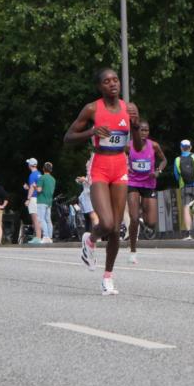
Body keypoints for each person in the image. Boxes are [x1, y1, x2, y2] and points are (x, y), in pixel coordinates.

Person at [64, 67, 139, 295]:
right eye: (107, 81)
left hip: (120, 167)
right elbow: (68, 138)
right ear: (100, 87)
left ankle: (108, 278)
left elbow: (137, 145)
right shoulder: (91, 109)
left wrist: (135, 127)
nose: (113, 84)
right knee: (106, 223)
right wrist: (93, 132)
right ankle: (91, 239)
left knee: (116, 229)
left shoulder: (130, 108)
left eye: (115, 80)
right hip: (99, 167)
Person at [126, 120, 167, 264]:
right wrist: (125, 167)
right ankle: (132, 250)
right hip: (133, 184)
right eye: (140, 130)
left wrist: (158, 171)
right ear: (136, 132)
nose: (143, 133)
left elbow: (164, 160)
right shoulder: (128, 146)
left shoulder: (154, 145)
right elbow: (118, 158)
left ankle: (143, 215)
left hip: (149, 184)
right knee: (134, 218)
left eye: (146, 130)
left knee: (151, 224)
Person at [36, 161, 57, 244]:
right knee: (48, 219)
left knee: (41, 219)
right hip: (49, 201)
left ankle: (45, 236)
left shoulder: (42, 177)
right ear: (51, 170)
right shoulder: (53, 179)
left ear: (43, 169)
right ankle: (50, 237)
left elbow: (39, 189)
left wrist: (34, 187)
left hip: (41, 200)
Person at [23, 159, 42, 245]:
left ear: (30, 165)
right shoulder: (39, 174)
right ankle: (39, 236)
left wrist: (28, 199)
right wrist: (28, 188)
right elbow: (36, 187)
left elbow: (31, 188)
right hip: (39, 198)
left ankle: (38, 237)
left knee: (35, 219)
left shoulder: (32, 175)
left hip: (33, 199)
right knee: (39, 218)